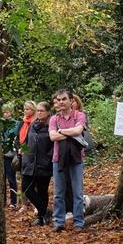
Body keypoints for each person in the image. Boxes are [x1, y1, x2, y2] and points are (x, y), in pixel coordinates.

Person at [49, 89, 87, 232]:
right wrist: (68, 133)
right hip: (58, 158)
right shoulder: (54, 119)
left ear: (71, 101)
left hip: (76, 158)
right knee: (59, 192)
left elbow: (78, 131)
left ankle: (79, 222)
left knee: (77, 192)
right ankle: (59, 222)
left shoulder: (79, 115)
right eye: (58, 100)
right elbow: (52, 137)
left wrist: (61, 132)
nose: (61, 102)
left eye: (64, 99)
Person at [22, 101, 53, 225]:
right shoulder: (33, 125)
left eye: (41, 111)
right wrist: (23, 153)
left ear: (48, 112)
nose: (39, 113)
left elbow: (54, 145)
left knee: (42, 190)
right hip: (29, 163)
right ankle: (44, 212)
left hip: (44, 164)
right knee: (26, 188)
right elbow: (25, 142)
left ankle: (41, 218)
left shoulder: (51, 125)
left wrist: (48, 158)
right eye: (38, 110)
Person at [14, 100, 36, 212]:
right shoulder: (22, 123)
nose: (25, 111)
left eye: (28, 109)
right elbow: (17, 138)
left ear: (33, 110)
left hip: (32, 155)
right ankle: (23, 203)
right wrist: (19, 148)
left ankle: (34, 202)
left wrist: (24, 149)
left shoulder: (35, 123)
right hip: (22, 155)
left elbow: (33, 140)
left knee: (32, 179)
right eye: (24, 109)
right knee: (22, 179)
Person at [0, 103, 20, 209]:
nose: (5, 114)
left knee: (11, 179)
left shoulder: (17, 124)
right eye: (3, 112)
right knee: (0, 179)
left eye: (7, 112)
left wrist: (22, 153)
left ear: (11, 113)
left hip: (11, 156)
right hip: (0, 156)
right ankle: (1, 200)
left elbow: (20, 140)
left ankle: (14, 201)